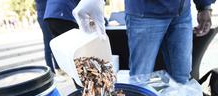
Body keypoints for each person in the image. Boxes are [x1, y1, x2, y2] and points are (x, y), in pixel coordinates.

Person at [73, 0, 216, 84]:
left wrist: (204, 5)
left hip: (181, 11)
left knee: (182, 77)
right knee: (140, 78)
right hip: (144, 13)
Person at [35, 0, 58, 73]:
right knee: (48, 43)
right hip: (43, 16)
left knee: (54, 42)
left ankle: (58, 68)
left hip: (50, 15)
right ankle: (51, 71)